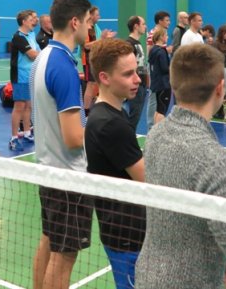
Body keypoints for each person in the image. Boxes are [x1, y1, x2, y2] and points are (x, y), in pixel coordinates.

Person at [135, 44, 226, 289]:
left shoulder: (156, 135)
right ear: (220, 88)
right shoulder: (215, 159)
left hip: (147, 277)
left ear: (173, 86)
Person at [31, 0, 93, 289]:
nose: (90, 28)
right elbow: (73, 138)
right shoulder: (64, 67)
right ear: (74, 22)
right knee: (64, 257)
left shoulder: (42, 58)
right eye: (88, 21)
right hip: (68, 178)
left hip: (47, 170)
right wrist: (101, 133)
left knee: (48, 243)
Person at [86, 38, 146, 289]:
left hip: (120, 230)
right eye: (128, 74)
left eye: (136, 72)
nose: (137, 79)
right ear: (105, 77)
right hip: (128, 235)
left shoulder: (106, 113)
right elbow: (149, 179)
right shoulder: (112, 124)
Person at [9, 10, 40, 151]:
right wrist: (42, 54)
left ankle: (27, 132)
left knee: (29, 105)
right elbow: (33, 54)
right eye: (32, 18)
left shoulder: (31, 35)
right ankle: (14, 137)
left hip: (31, 75)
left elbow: (38, 51)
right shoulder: (18, 37)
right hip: (20, 76)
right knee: (19, 107)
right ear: (24, 21)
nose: (35, 20)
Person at [124, 16, 148, 131]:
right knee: (132, 118)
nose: (145, 26)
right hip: (135, 86)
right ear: (136, 26)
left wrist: (146, 81)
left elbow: (141, 64)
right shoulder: (129, 44)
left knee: (136, 117)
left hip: (141, 85)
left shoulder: (138, 43)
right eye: (143, 24)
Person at [148, 28, 171, 125]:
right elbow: (165, 68)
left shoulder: (153, 50)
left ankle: (154, 129)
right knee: (162, 110)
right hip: (164, 85)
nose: (167, 37)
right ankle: (159, 130)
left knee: (158, 109)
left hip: (156, 84)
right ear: (161, 37)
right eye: (166, 35)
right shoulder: (161, 51)